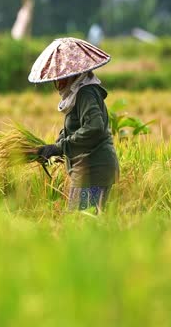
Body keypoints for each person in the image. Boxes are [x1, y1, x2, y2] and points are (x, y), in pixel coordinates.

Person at [27, 38, 119, 213]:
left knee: (81, 222)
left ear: (73, 75)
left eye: (62, 78)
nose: (58, 84)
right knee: (86, 222)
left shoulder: (86, 92)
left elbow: (94, 127)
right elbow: (76, 126)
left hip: (93, 170)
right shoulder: (79, 92)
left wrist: (61, 147)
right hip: (88, 169)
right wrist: (54, 146)